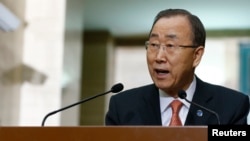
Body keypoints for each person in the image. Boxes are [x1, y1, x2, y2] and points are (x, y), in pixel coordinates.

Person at [105, 8, 250, 125]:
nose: (159, 57)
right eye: (154, 45)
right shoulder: (123, 106)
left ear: (196, 55)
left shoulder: (231, 106)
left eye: (170, 46)